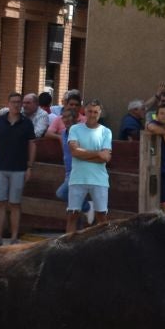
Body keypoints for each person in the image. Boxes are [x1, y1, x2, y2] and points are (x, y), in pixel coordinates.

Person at [0, 91, 38, 245]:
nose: (16, 104)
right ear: (8, 104)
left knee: (15, 203)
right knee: (0, 202)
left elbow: (32, 144)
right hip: (0, 168)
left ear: (21, 104)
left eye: (18, 102)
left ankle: (14, 238)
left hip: (19, 168)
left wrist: (29, 166)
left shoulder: (27, 123)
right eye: (13, 102)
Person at [65, 100, 113, 234]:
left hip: (99, 179)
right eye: (90, 111)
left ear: (100, 113)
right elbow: (74, 152)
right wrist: (97, 153)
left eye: (95, 112)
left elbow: (106, 157)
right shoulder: (75, 128)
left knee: (102, 216)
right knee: (72, 214)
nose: (92, 114)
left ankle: (104, 244)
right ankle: (68, 244)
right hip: (78, 178)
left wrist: (83, 154)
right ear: (85, 111)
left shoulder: (106, 131)